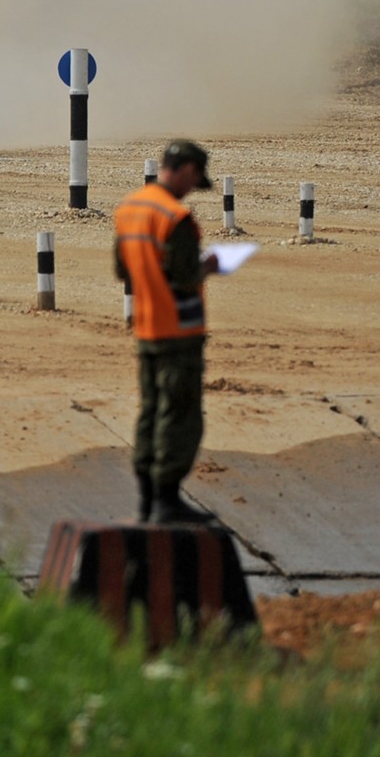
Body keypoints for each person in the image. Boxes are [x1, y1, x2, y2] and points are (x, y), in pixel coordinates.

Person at [114, 139, 221, 525]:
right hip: (179, 331)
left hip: (146, 329)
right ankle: (167, 500)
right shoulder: (175, 218)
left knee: (150, 411)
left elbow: (123, 271)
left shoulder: (130, 209)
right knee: (180, 414)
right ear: (188, 169)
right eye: (195, 179)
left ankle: (147, 500)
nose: (193, 187)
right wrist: (208, 266)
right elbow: (185, 274)